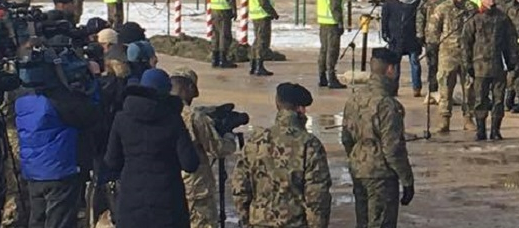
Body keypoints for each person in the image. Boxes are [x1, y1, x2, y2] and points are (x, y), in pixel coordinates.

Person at [105, 69, 199, 228]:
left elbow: (112, 162)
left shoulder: (121, 118)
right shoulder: (172, 119)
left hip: (131, 199)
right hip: (168, 201)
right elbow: (190, 164)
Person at [16, 55, 102, 228]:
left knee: (37, 219)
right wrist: (95, 81)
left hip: (33, 170)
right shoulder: (59, 101)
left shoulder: (21, 100)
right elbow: (92, 115)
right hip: (59, 170)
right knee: (59, 220)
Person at [233, 83, 331, 228]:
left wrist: (248, 221)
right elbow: (317, 198)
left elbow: (240, 189)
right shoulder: (309, 144)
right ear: (301, 109)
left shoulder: (255, 142)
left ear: (277, 104)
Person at [342, 52, 414, 227]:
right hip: (381, 174)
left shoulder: (354, 98)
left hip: (359, 169)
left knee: (363, 221)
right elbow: (392, 149)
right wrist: (407, 180)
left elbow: (346, 138)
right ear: (390, 69)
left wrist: (357, 158)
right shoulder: (387, 104)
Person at [171, 71, 230, 228]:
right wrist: (229, 134)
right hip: (196, 189)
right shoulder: (194, 117)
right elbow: (219, 148)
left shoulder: (161, 110)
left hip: (169, 185)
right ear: (190, 87)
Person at [461, 0, 519, 141]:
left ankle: (495, 130)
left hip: (498, 66)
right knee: (480, 100)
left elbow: (511, 41)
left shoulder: (502, 18)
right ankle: (481, 130)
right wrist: (467, 64)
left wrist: (512, 60)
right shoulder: (474, 19)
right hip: (479, 66)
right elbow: (466, 43)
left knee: (498, 100)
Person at [426, 0, 477, 133]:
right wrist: (432, 47)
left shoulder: (471, 8)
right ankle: (444, 118)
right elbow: (433, 30)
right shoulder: (443, 8)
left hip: (467, 53)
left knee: (469, 87)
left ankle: (468, 118)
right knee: (445, 87)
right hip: (448, 54)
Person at [382, 0, 422, 96]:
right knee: (395, 64)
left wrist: (421, 35)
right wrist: (384, 32)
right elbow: (385, 16)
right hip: (396, 36)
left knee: (415, 62)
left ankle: (416, 88)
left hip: (412, 36)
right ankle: (394, 88)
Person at [416, 0, 446, 104]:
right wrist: (420, 34)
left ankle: (444, 92)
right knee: (432, 66)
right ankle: (432, 91)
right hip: (431, 38)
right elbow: (420, 16)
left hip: (445, 37)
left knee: (444, 67)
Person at [316, 0, 347, 88]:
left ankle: (322, 76)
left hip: (323, 22)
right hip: (332, 23)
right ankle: (331, 78)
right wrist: (339, 22)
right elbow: (335, 7)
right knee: (332, 51)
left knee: (324, 50)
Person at [247, 0, 277, 77]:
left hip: (257, 15)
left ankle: (254, 65)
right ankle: (259, 66)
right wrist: (273, 13)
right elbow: (263, 1)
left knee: (257, 40)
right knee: (262, 41)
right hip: (262, 15)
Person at [207, 0, 237, 69]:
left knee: (216, 34)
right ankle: (222, 59)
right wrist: (234, 9)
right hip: (224, 9)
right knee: (225, 35)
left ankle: (215, 58)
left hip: (214, 8)